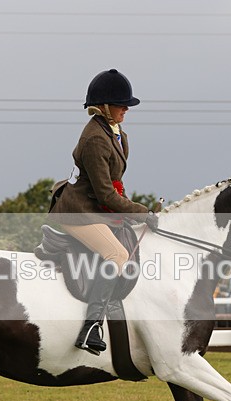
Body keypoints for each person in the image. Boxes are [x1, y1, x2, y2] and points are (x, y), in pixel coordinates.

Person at [49, 69, 158, 355]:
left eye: (126, 105)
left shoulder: (118, 135)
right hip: (78, 212)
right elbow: (105, 193)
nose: (126, 109)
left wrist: (131, 211)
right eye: (121, 105)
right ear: (104, 107)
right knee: (117, 255)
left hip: (96, 209)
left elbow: (116, 185)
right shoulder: (95, 139)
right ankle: (91, 327)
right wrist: (142, 212)